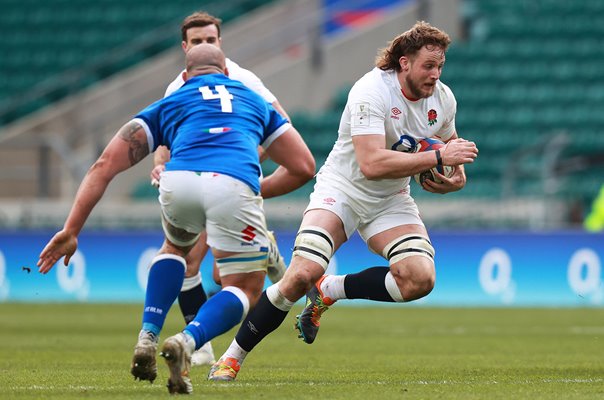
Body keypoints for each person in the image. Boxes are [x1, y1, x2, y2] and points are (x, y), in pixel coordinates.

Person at [207, 21, 479, 381]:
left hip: (391, 198)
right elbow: (371, 163)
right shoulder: (371, 91)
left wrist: (453, 178)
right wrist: (438, 160)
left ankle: (331, 289)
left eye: (440, 66)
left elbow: (448, 150)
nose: (435, 74)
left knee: (419, 279)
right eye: (428, 66)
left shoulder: (443, 99)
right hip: (343, 190)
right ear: (404, 63)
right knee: (300, 275)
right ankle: (231, 357)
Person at [37, 44, 315, 394]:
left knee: (175, 248)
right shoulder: (253, 99)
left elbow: (103, 165)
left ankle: (147, 335)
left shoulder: (170, 102)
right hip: (232, 182)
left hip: (179, 180)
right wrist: (254, 189)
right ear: (227, 73)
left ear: (185, 76)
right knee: (244, 288)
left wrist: (71, 229)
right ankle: (187, 340)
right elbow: (304, 166)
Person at [151, 11, 294, 367]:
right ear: (185, 47)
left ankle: (265, 250)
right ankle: (198, 346)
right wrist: (159, 162)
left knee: (221, 274)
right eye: (197, 41)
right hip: (199, 180)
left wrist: (245, 155)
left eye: (210, 40)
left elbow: (281, 123)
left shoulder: (243, 79)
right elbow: (167, 135)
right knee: (188, 264)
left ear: (220, 42)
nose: (204, 45)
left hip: (233, 184)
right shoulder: (177, 86)